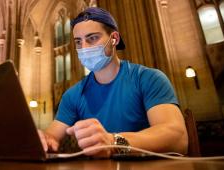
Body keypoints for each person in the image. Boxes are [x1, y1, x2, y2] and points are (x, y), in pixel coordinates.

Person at [38, 7, 188, 158]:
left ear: (114, 38)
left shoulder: (148, 79)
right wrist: (43, 139)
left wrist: (113, 142)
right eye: (78, 42)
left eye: (92, 38)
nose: (84, 48)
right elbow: (52, 136)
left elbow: (177, 138)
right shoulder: (72, 95)